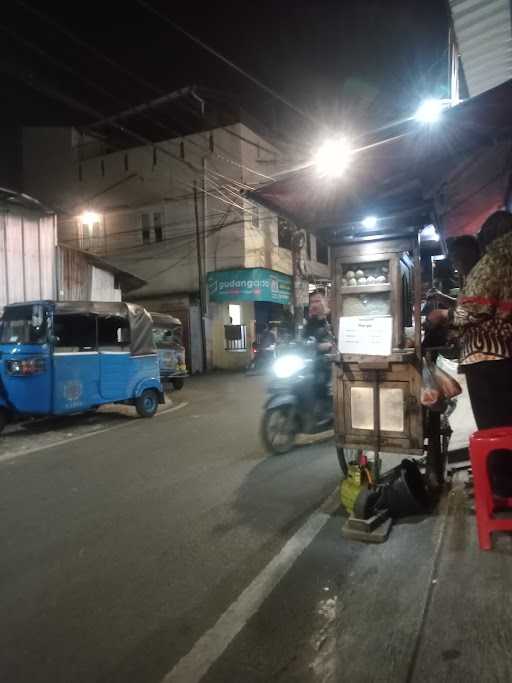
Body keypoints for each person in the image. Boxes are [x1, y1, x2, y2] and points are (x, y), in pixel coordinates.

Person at [428, 211, 512, 430]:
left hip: (487, 359)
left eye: (457, 259)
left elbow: (472, 310)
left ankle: (498, 463)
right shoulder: (502, 261)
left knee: (493, 427)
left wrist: (443, 315)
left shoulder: (492, 263)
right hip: (501, 357)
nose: (456, 265)